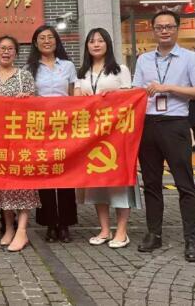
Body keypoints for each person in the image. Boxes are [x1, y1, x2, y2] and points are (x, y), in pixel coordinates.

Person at [133, 10, 195, 262]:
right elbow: (135, 92)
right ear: (153, 30)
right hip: (148, 125)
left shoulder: (190, 58)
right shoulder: (143, 59)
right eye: (159, 27)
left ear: (177, 29)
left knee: (185, 184)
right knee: (151, 183)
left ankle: (192, 240)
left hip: (175, 124)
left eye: (169, 26)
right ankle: (154, 234)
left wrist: (168, 88)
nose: (164, 30)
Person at [74, 28, 142, 249]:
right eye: (92, 41)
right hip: (91, 136)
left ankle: (122, 230)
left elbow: (129, 98)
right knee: (97, 183)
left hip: (117, 135)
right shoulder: (82, 72)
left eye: (100, 41)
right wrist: (83, 98)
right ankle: (104, 229)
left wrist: (111, 97)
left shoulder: (120, 69)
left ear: (108, 44)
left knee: (119, 181)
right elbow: (74, 100)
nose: (96, 44)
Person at [0, 36, 40, 252]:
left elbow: (36, 107)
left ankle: (22, 230)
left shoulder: (25, 76)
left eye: (10, 49)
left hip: (20, 139)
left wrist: (28, 100)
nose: (6, 52)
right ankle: (8, 227)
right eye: (2, 48)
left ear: (16, 53)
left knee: (23, 185)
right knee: (3, 185)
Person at [27, 25, 78, 243]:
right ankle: (49, 223)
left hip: (63, 126)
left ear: (56, 41)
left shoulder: (67, 66)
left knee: (65, 173)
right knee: (45, 173)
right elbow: (29, 97)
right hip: (40, 128)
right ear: (35, 43)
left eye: (50, 37)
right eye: (42, 38)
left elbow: (73, 95)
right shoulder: (29, 68)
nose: (46, 41)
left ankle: (65, 223)